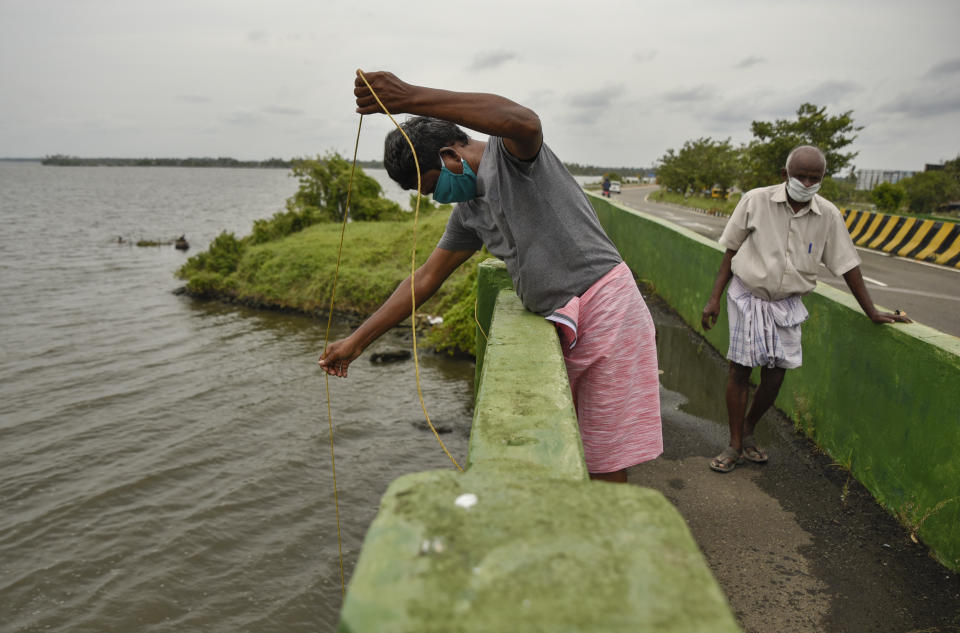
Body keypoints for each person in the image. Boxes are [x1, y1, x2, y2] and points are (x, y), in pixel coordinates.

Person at [319, 70, 662, 482]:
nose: (434, 198)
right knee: (575, 451)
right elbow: (425, 279)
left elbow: (524, 121)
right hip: (564, 319)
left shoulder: (512, 155)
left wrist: (408, 97)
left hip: (607, 309)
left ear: (450, 156)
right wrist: (357, 342)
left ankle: (611, 540)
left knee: (604, 461)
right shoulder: (469, 211)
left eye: (431, 187)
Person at [701, 145, 912, 473]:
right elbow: (730, 252)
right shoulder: (755, 201)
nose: (808, 182)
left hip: (787, 304)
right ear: (785, 175)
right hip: (748, 296)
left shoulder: (828, 215)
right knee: (740, 370)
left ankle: (749, 427)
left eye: (816, 177)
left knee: (775, 374)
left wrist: (871, 310)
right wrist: (713, 298)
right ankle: (734, 443)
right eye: (801, 176)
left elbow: (847, 266)